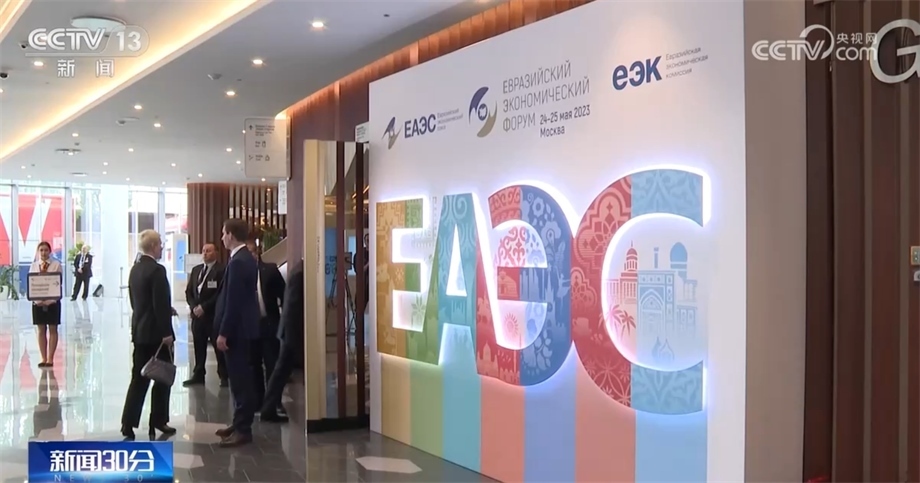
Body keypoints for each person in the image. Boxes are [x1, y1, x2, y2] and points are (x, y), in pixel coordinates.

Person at [120, 230, 177, 440]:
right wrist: (167, 333)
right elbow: (159, 304)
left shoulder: (135, 269)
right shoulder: (157, 270)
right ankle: (158, 420)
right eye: (160, 244)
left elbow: (137, 302)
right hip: (157, 336)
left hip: (140, 332)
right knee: (162, 378)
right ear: (153, 246)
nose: (162, 247)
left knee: (138, 378)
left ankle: (128, 422)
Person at [213, 219, 260, 447]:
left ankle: (243, 429)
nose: (222, 237)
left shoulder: (239, 262)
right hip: (242, 329)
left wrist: (224, 332)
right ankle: (238, 422)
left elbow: (234, 301)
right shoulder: (242, 259)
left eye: (224, 233)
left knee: (241, 381)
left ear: (231, 235)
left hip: (238, 331)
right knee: (239, 380)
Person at [259, 259, 304, 422]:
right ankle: (269, 408)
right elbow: (292, 306)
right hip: (293, 332)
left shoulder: (299, 270)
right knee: (280, 371)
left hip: (291, 331)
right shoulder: (300, 273)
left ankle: (269, 407)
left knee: (280, 371)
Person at [245, 239, 285, 409]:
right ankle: (258, 400)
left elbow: (284, 294)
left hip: (269, 323)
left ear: (257, 252)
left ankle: (274, 401)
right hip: (250, 326)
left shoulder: (270, 270)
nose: (249, 256)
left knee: (272, 364)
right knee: (253, 365)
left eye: (252, 252)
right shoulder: (240, 272)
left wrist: (283, 321)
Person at [182, 243, 228, 387]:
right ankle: (198, 374)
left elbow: (220, 293)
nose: (205, 253)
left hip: (213, 315)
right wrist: (194, 307)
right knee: (198, 346)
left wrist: (204, 307)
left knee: (218, 347)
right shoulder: (196, 270)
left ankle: (224, 375)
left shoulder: (222, 270)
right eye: (203, 251)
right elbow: (189, 291)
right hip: (197, 317)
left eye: (208, 251)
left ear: (216, 253)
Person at [29, 241, 63, 368]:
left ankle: (50, 358)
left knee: (53, 329)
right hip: (38, 303)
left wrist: (50, 299)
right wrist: (38, 300)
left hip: (53, 302)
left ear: (50, 251)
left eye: (46, 250)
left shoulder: (56, 265)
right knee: (41, 330)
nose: (43, 253)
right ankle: (43, 358)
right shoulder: (34, 265)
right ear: (38, 252)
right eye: (41, 250)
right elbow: (32, 283)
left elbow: (58, 283)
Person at [352, 233, 370, 313]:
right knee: (359, 308)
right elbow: (358, 271)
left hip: (375, 284)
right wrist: (369, 264)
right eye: (367, 240)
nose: (369, 242)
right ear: (365, 242)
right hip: (363, 284)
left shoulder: (377, 253)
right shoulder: (359, 254)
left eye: (370, 240)